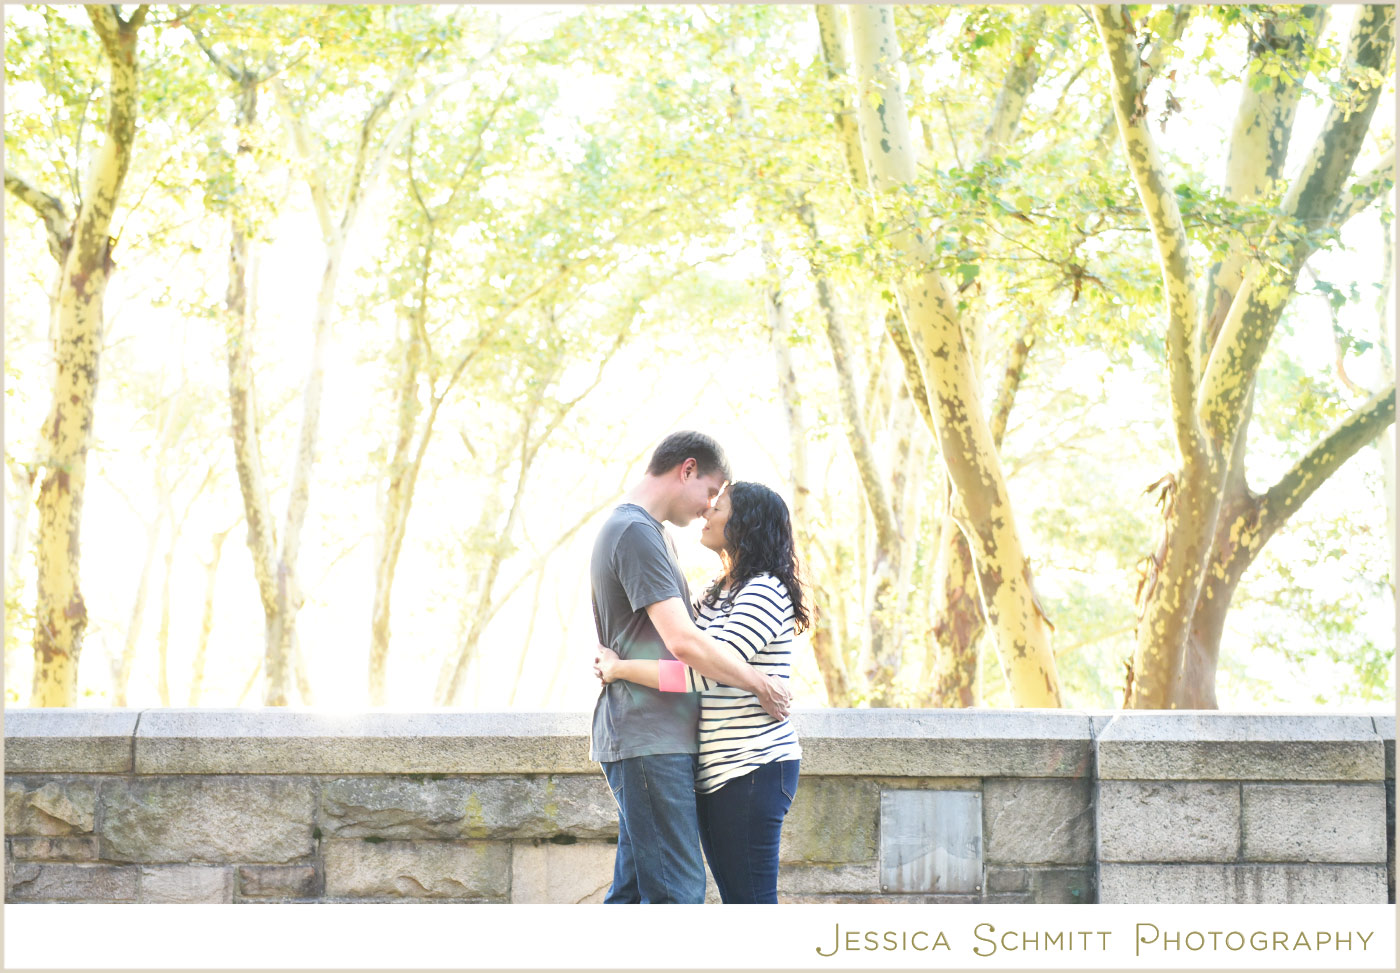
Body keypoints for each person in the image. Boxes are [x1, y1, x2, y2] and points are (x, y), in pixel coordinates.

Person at [589, 431, 792, 905]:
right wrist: (758, 682)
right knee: (677, 895)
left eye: (719, 503)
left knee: (635, 891)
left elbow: (690, 644)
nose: (707, 508)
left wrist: (619, 667)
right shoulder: (636, 532)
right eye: (711, 492)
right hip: (650, 732)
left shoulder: (648, 532)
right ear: (687, 469)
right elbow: (685, 644)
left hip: (661, 735)